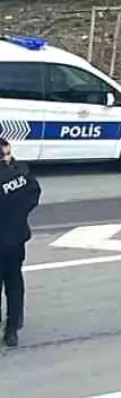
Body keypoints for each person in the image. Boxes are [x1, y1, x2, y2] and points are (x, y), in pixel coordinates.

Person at [0, 134, 41, 348]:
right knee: (14, 282)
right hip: (16, 238)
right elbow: (34, 195)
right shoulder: (21, 172)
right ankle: (13, 328)